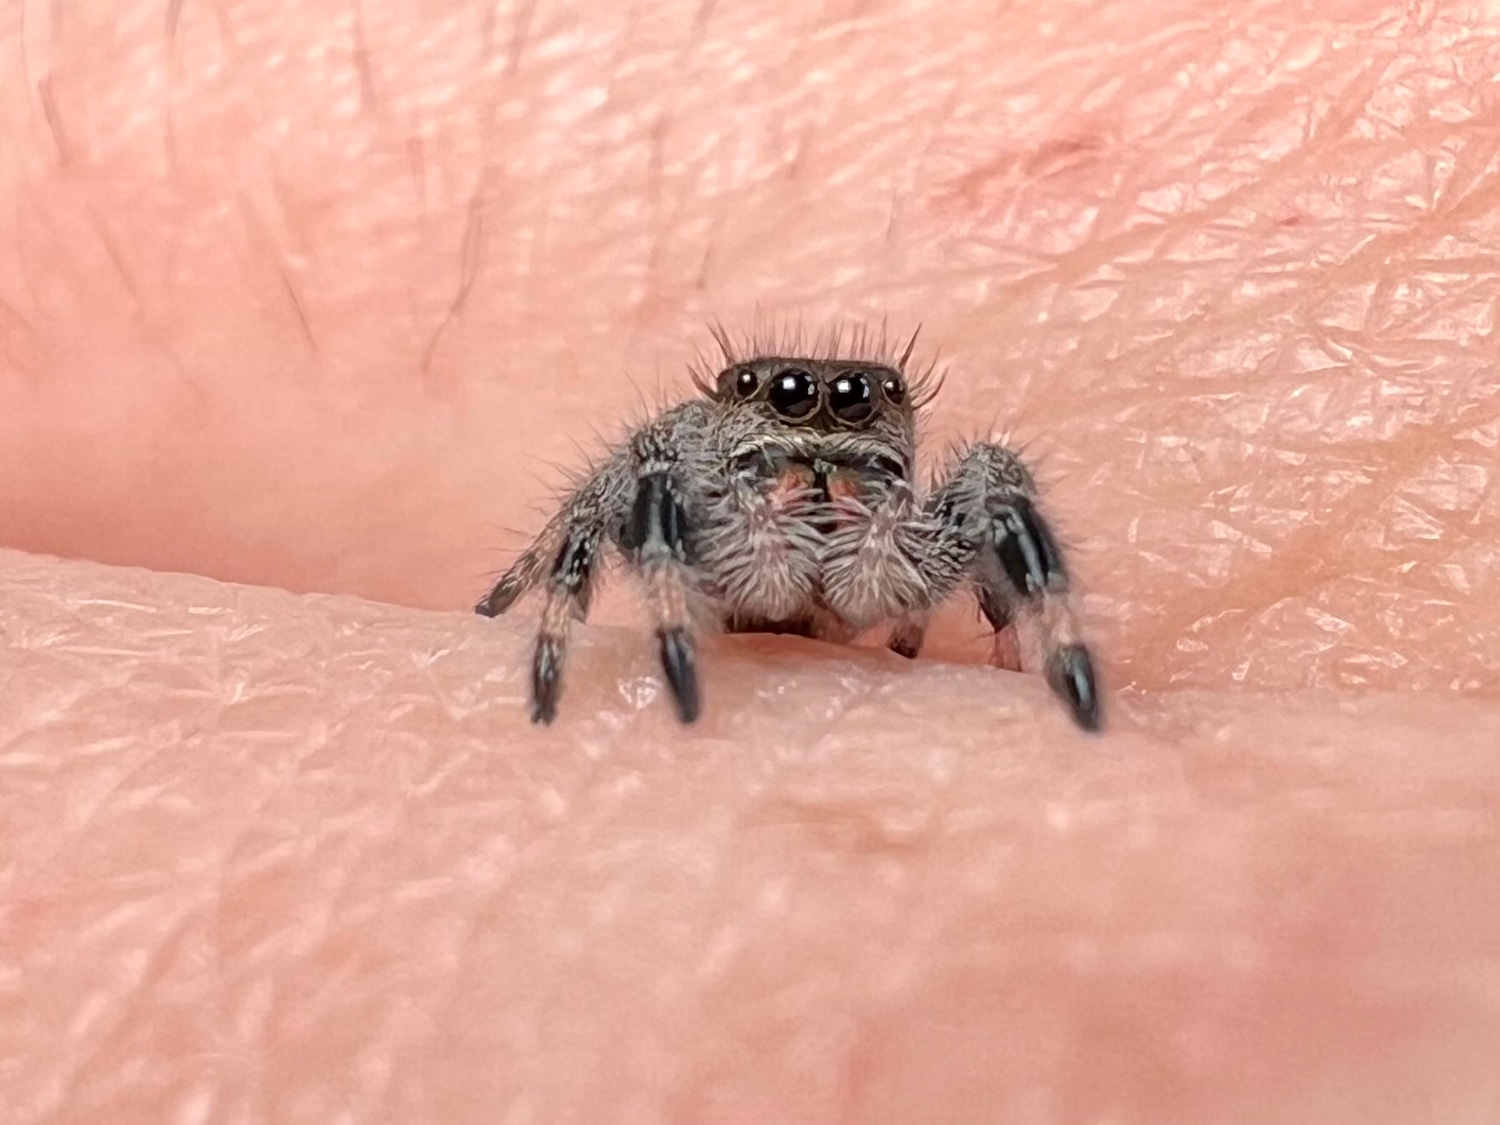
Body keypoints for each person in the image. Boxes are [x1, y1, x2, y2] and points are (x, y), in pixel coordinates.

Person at [2, 1, 1497, 1120]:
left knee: (1002, 479)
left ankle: (1067, 671)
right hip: (709, 582)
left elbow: (984, 511)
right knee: (636, 468)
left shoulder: (931, 487)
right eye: (790, 409)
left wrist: (1010, 628)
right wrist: (564, 605)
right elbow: (615, 490)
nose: (826, 435)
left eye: (858, 412)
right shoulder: (686, 463)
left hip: (867, 599)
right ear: (741, 414)